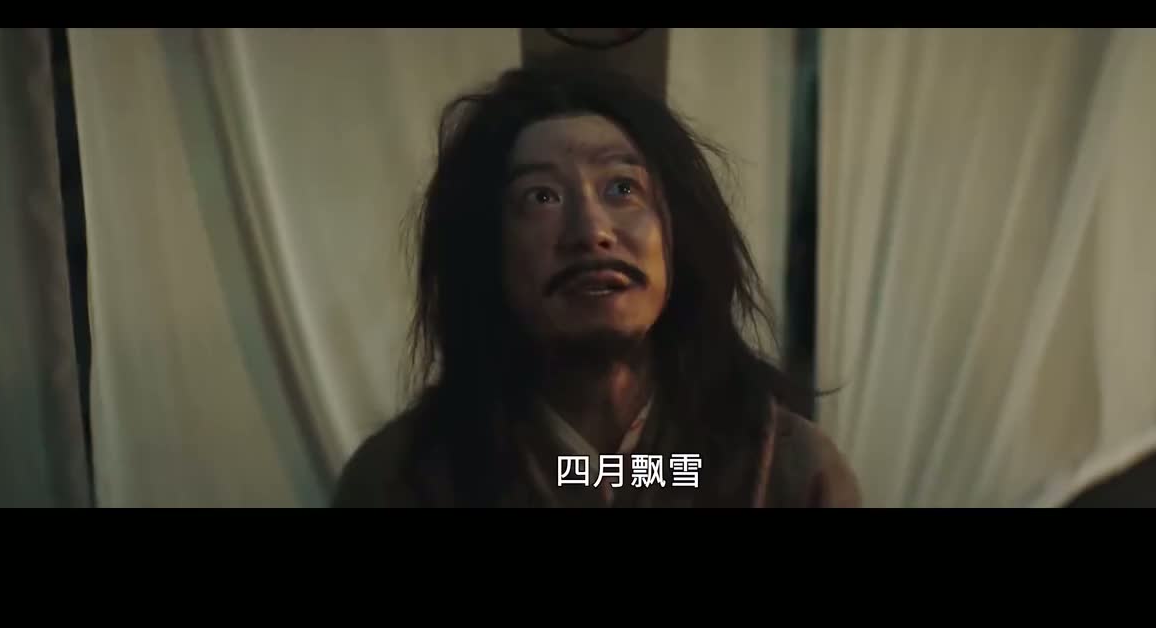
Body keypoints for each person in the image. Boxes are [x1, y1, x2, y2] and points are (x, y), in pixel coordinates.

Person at [331, 56, 861, 508]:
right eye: (542, 197)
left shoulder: (787, 469)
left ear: (679, 231)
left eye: (622, 188)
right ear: (485, 250)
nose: (591, 232)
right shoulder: (402, 480)